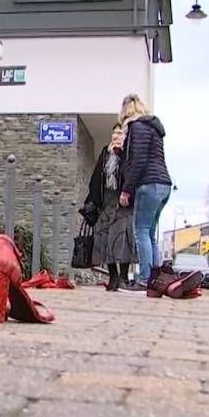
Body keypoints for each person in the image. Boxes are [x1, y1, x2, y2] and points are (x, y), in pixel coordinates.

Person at [117, 93, 173, 290]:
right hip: (163, 184)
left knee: (141, 230)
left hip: (149, 184)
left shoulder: (137, 127)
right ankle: (155, 279)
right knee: (149, 233)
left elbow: (139, 161)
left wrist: (126, 190)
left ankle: (144, 279)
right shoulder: (153, 128)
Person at [83, 123, 138, 291]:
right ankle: (113, 277)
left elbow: (131, 175)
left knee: (123, 238)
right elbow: (96, 178)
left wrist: (121, 153)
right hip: (106, 200)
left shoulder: (128, 154)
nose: (115, 136)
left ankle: (123, 277)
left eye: (119, 133)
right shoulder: (105, 153)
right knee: (104, 238)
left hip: (123, 202)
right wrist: (93, 201)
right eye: (114, 133)